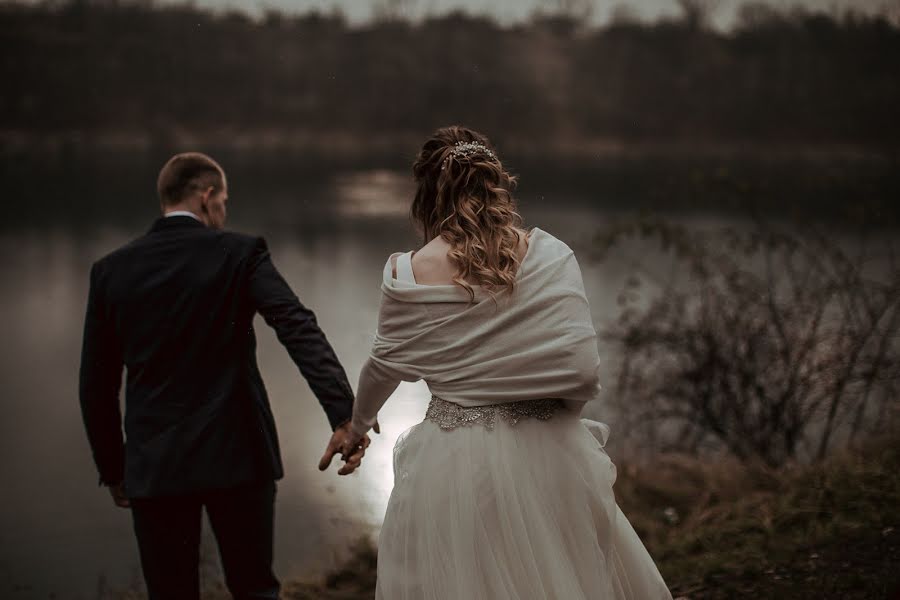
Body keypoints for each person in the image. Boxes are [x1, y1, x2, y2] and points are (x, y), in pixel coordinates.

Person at [340, 126, 675, 599]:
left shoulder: (409, 271)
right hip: (551, 449)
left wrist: (357, 427)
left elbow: (383, 366)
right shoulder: (553, 256)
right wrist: (553, 423)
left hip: (452, 459)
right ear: (495, 181)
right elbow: (581, 369)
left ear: (427, 193)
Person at [78, 152, 369, 600]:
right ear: (207, 196)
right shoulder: (240, 253)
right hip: (239, 455)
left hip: (156, 467)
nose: (224, 212)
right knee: (254, 589)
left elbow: (96, 386)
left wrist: (114, 468)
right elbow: (297, 326)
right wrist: (342, 414)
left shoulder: (111, 271)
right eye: (224, 201)